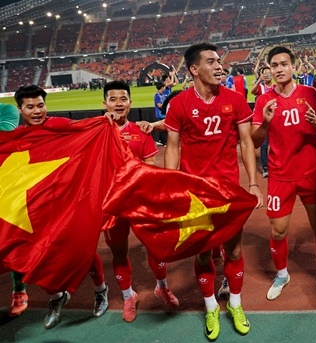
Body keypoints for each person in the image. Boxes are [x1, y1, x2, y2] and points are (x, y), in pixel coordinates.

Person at [164, 43, 263, 342]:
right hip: (196, 194)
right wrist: (170, 186)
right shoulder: (179, 104)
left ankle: (235, 303)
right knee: (203, 253)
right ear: (194, 69)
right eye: (211, 61)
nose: (219, 66)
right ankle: (210, 307)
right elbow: (172, 147)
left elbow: (246, 142)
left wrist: (253, 183)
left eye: (219, 61)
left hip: (229, 190)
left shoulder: (235, 99)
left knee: (234, 250)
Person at [251, 46, 316, 302]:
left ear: (293, 67)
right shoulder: (263, 100)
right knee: (278, 231)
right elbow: (256, 141)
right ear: (269, 70)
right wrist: (266, 121)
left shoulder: (310, 93)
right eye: (274, 65)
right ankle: (282, 275)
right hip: (280, 177)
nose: (279, 69)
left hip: (311, 174)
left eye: (284, 64)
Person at [13, 84, 109, 329]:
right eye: (30, 107)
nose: (37, 111)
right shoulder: (17, 138)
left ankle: (101, 291)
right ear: (20, 109)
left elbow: (86, 129)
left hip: (68, 200)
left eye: (40, 105)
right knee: (36, 254)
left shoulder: (59, 125)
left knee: (83, 249)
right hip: (38, 208)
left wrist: (104, 121)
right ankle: (57, 297)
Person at [101, 81, 179, 322]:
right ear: (105, 103)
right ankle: (128, 296)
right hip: (112, 204)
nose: (118, 104)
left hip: (140, 201)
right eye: (113, 99)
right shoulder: (97, 133)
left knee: (156, 247)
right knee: (119, 252)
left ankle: (162, 287)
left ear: (130, 103)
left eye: (123, 99)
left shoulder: (140, 132)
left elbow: (150, 166)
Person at [0, 101, 28, 318]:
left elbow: (5, 136)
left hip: (7, 190)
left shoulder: (7, 110)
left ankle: (19, 291)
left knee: (12, 242)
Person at [251, 66, 274, 178]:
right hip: (262, 120)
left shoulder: (275, 88)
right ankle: (265, 167)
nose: (267, 76)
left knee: (276, 144)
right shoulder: (261, 87)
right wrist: (259, 80)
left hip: (274, 120)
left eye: (269, 73)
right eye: (265, 74)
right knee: (264, 145)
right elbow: (252, 91)